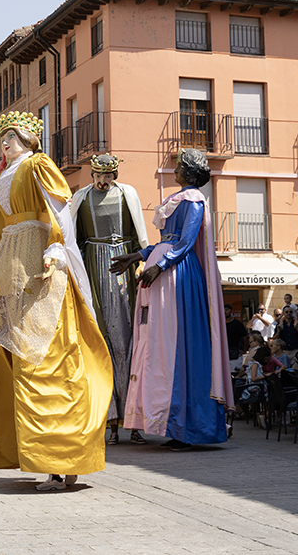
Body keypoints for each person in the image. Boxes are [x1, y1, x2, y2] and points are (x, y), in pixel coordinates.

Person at [0, 111, 113, 491]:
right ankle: (31, 454)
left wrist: (57, 251)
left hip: (36, 267)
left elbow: (60, 214)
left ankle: (61, 458)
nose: (5, 144)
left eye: (12, 137)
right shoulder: (4, 176)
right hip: (8, 270)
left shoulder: (38, 165)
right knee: (11, 359)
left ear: (30, 139)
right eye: (2, 138)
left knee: (43, 358)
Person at [112, 149, 233, 451]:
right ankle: (171, 423)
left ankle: (186, 426)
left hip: (177, 277)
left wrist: (160, 265)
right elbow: (167, 241)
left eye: (180, 166)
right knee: (160, 347)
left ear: (191, 174)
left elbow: (186, 241)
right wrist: (139, 256)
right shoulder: (180, 199)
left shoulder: (193, 200)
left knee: (176, 348)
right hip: (163, 275)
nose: (174, 169)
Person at [70, 153, 149, 445]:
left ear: (115, 174)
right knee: (101, 338)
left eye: (108, 176)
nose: (103, 181)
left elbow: (140, 236)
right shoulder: (80, 198)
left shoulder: (128, 194)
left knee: (129, 341)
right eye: (98, 176)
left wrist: (139, 261)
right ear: (92, 174)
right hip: (94, 268)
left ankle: (134, 420)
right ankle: (109, 419)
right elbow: (75, 240)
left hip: (123, 268)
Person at [224, 307, 249, 374]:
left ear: (231, 311)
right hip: (223, 352)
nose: (225, 311)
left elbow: (245, 336)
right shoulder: (220, 323)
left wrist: (244, 349)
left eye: (227, 309)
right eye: (223, 310)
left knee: (234, 373)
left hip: (235, 353)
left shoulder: (237, 323)